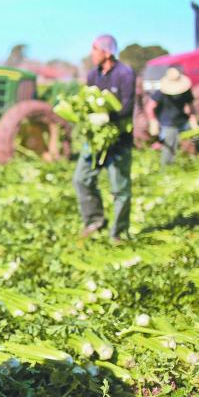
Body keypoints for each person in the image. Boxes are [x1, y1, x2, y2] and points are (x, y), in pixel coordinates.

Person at [72, 35, 136, 244]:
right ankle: (94, 221)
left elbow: (127, 107)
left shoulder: (125, 74)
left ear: (107, 52)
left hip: (118, 141)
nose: (92, 54)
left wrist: (107, 116)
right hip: (96, 140)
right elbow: (89, 101)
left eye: (95, 50)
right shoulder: (93, 75)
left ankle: (118, 232)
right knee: (81, 179)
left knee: (120, 189)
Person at [144, 67, 199, 165]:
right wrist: (153, 122)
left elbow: (191, 107)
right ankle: (166, 169)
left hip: (183, 121)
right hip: (168, 124)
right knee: (170, 145)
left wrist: (194, 120)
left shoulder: (185, 91)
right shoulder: (161, 93)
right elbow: (149, 107)